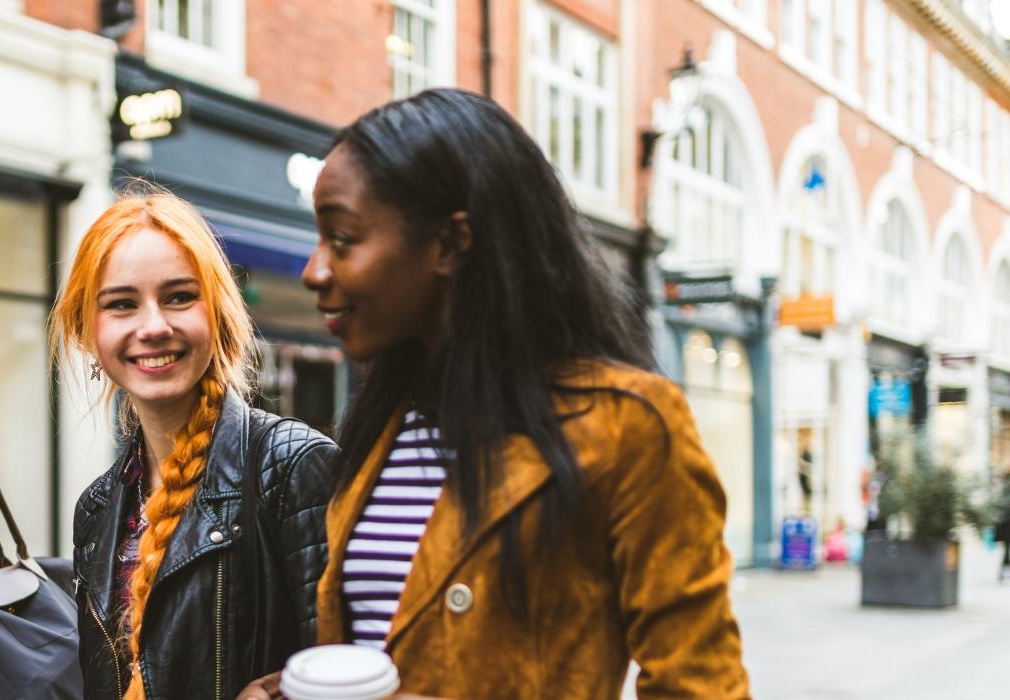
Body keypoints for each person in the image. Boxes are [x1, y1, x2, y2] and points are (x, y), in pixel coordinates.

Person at [252, 89, 750, 698]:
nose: (314, 269)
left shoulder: (630, 425)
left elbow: (699, 686)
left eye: (344, 238)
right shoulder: (388, 423)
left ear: (450, 244)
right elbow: (387, 647)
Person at [54, 189, 338, 699]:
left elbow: (350, 669)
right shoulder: (96, 511)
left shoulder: (291, 466)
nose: (154, 326)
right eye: (122, 304)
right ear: (86, 331)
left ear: (218, 313)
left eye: (179, 296)